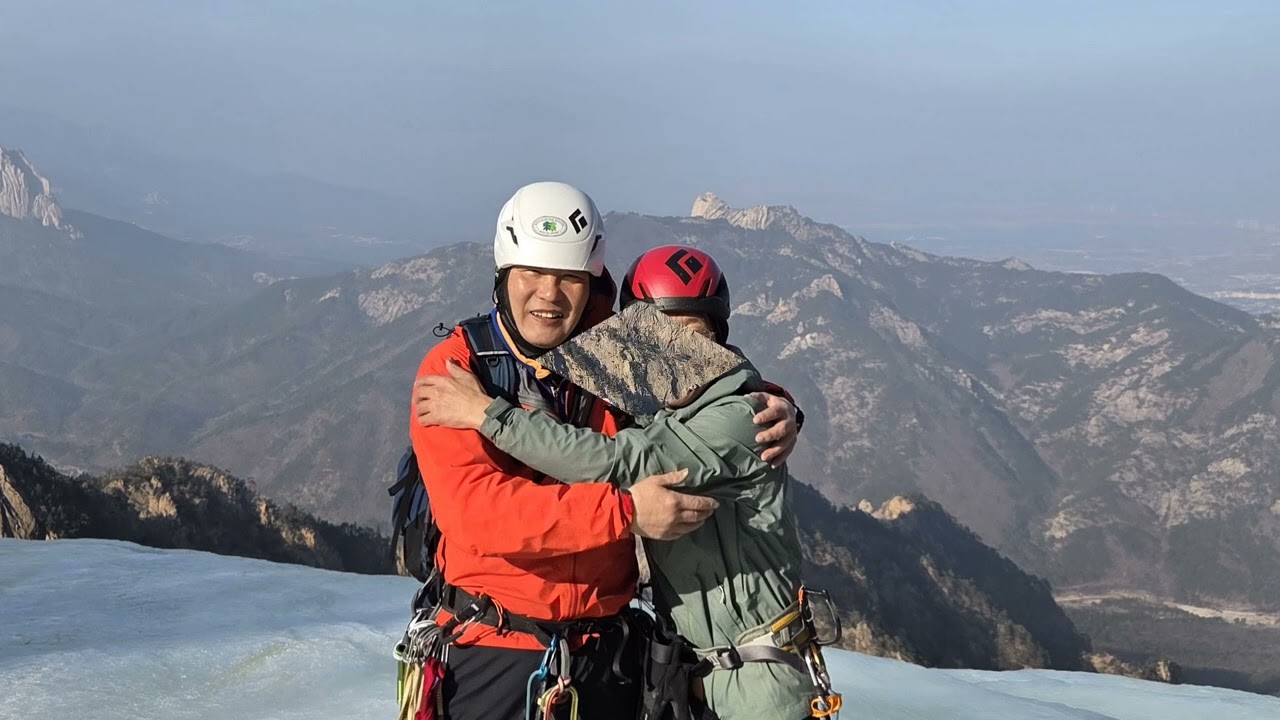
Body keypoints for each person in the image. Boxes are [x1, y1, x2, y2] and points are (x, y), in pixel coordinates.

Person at [407, 184, 800, 720]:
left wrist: (772, 404)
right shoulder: (457, 374)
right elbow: (479, 516)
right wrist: (627, 513)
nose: (548, 294)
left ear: (590, 282)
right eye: (531, 274)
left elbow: (696, 382)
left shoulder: (613, 347)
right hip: (494, 648)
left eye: (568, 277)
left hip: (606, 655)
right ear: (503, 277)